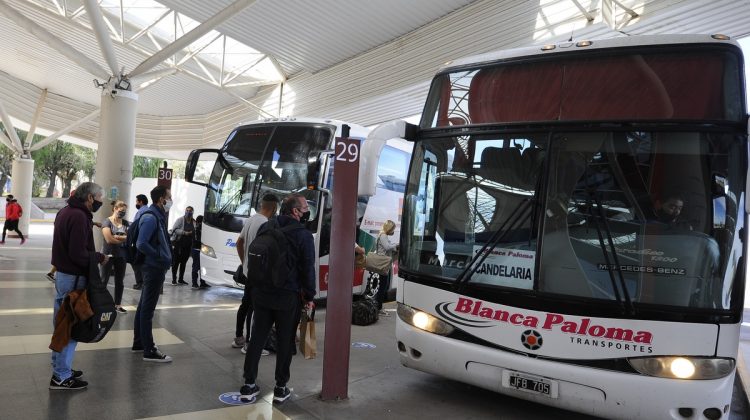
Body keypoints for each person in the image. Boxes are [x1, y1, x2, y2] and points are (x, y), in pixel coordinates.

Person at [240, 193, 315, 404]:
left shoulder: (267, 227)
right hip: (287, 297)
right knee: (284, 342)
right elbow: (308, 269)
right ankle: (281, 388)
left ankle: (248, 385)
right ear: (295, 211)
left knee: (257, 338)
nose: (307, 211)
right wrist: (309, 296)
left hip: (261, 293)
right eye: (305, 207)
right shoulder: (303, 235)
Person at [49, 182, 109, 390]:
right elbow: (77, 253)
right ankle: (61, 376)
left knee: (62, 323)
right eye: (100, 197)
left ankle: (59, 368)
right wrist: (99, 257)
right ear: (90, 198)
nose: (102, 201)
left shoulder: (66, 211)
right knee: (70, 327)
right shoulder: (79, 216)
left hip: (64, 276)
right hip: (73, 278)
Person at [132, 185, 173, 362]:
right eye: (169, 197)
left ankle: (139, 342)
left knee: (143, 307)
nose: (170, 200)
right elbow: (141, 243)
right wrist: (158, 256)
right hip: (153, 268)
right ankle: (149, 350)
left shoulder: (156, 215)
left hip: (153, 267)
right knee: (148, 309)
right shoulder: (150, 218)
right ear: (161, 199)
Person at [233, 194, 279, 352]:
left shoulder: (251, 219)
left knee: (245, 305)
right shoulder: (266, 223)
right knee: (255, 308)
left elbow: (239, 243)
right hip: (258, 274)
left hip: (248, 272)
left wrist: (244, 262)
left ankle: (239, 338)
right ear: (274, 208)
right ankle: (249, 344)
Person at [101, 201, 129, 314]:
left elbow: (129, 237)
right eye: (120, 211)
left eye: (124, 212)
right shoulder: (107, 222)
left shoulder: (126, 223)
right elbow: (108, 239)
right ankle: (100, 303)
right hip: (107, 255)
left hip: (121, 256)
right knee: (104, 280)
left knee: (120, 281)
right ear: (115, 209)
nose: (122, 213)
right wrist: (121, 238)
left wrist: (115, 236)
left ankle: (117, 304)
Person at [375, 220, 399, 316]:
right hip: (383, 263)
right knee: (383, 286)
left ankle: (378, 307)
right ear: (389, 228)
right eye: (393, 229)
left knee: (382, 286)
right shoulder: (383, 235)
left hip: (383, 262)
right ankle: (378, 308)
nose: (393, 231)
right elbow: (387, 247)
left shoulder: (381, 235)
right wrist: (396, 245)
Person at [170, 206, 195, 285]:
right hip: (179, 244)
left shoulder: (193, 222)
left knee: (184, 262)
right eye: (187, 210)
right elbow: (174, 229)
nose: (188, 212)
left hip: (188, 245)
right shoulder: (180, 220)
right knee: (176, 262)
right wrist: (184, 232)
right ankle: (174, 279)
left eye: (190, 211)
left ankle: (181, 279)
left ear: (192, 212)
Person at [131, 194, 149, 290]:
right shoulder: (148, 210)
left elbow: (135, 226)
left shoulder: (141, 212)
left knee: (136, 263)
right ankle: (143, 282)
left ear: (141, 202)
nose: (136, 203)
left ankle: (140, 282)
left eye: (137, 201)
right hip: (146, 241)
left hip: (139, 241)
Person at [191, 215, 210, 289]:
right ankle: (194, 283)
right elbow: (198, 240)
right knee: (196, 267)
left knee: (203, 267)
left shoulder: (201, 229)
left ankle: (203, 282)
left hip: (201, 250)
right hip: (196, 250)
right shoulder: (196, 229)